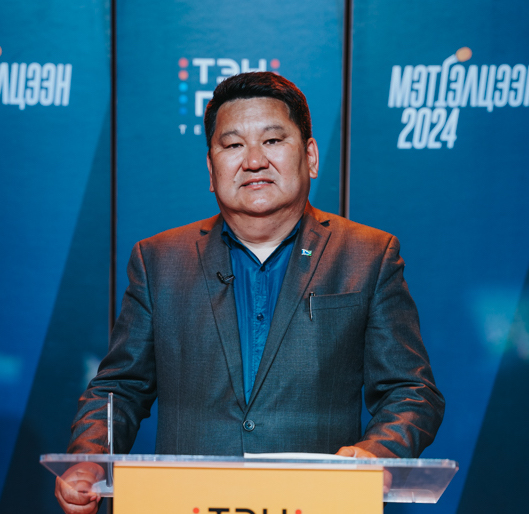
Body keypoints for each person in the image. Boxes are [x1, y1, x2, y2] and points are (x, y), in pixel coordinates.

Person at [55, 71, 444, 513]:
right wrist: (89, 459)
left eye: (273, 141)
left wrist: (379, 453)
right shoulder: (159, 260)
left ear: (311, 157)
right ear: (211, 168)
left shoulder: (368, 255)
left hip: (315, 503)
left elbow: (411, 391)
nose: (254, 161)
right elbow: (119, 389)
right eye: (234, 145)